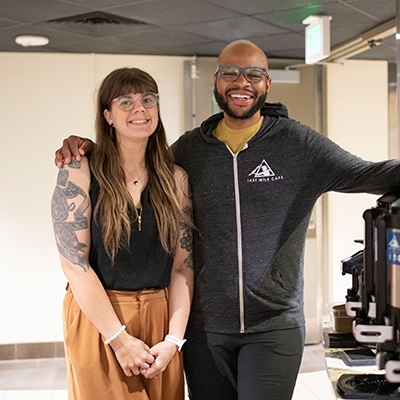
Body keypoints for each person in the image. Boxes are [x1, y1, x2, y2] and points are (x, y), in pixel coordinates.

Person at [55, 40, 400, 400]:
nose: (242, 82)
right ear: (216, 82)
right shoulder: (190, 150)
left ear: (267, 83)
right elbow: (136, 160)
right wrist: (87, 150)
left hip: (274, 324)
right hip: (205, 328)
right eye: (230, 73)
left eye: (254, 74)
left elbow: (370, 173)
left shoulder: (298, 145)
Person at [51, 67, 193, 400]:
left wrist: (174, 340)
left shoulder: (176, 180)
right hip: (100, 318)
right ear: (108, 115)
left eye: (148, 100)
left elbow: (182, 268)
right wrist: (119, 338)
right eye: (125, 102)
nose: (140, 109)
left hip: (161, 317)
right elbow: (74, 264)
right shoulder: (79, 169)